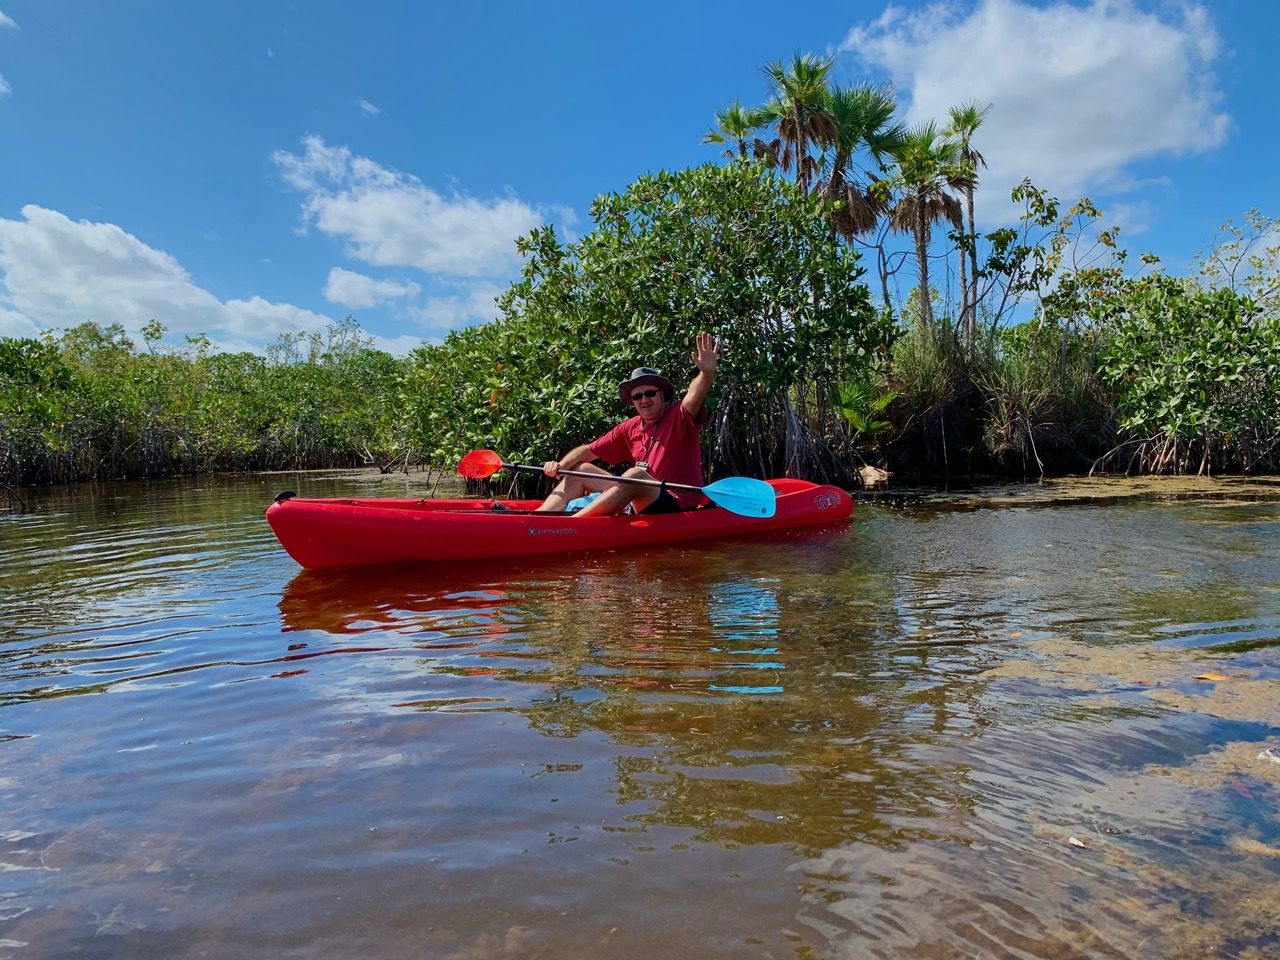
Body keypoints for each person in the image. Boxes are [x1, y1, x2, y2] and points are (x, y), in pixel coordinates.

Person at [535, 332, 719, 517]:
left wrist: (706, 373)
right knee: (580, 470)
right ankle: (539, 518)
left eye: (650, 393)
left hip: (677, 502)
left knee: (635, 475)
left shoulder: (679, 416)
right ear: (633, 402)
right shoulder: (629, 427)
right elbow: (587, 451)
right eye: (637, 396)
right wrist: (559, 466)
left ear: (662, 395)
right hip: (642, 496)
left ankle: (572, 526)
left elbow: (694, 395)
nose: (644, 399)